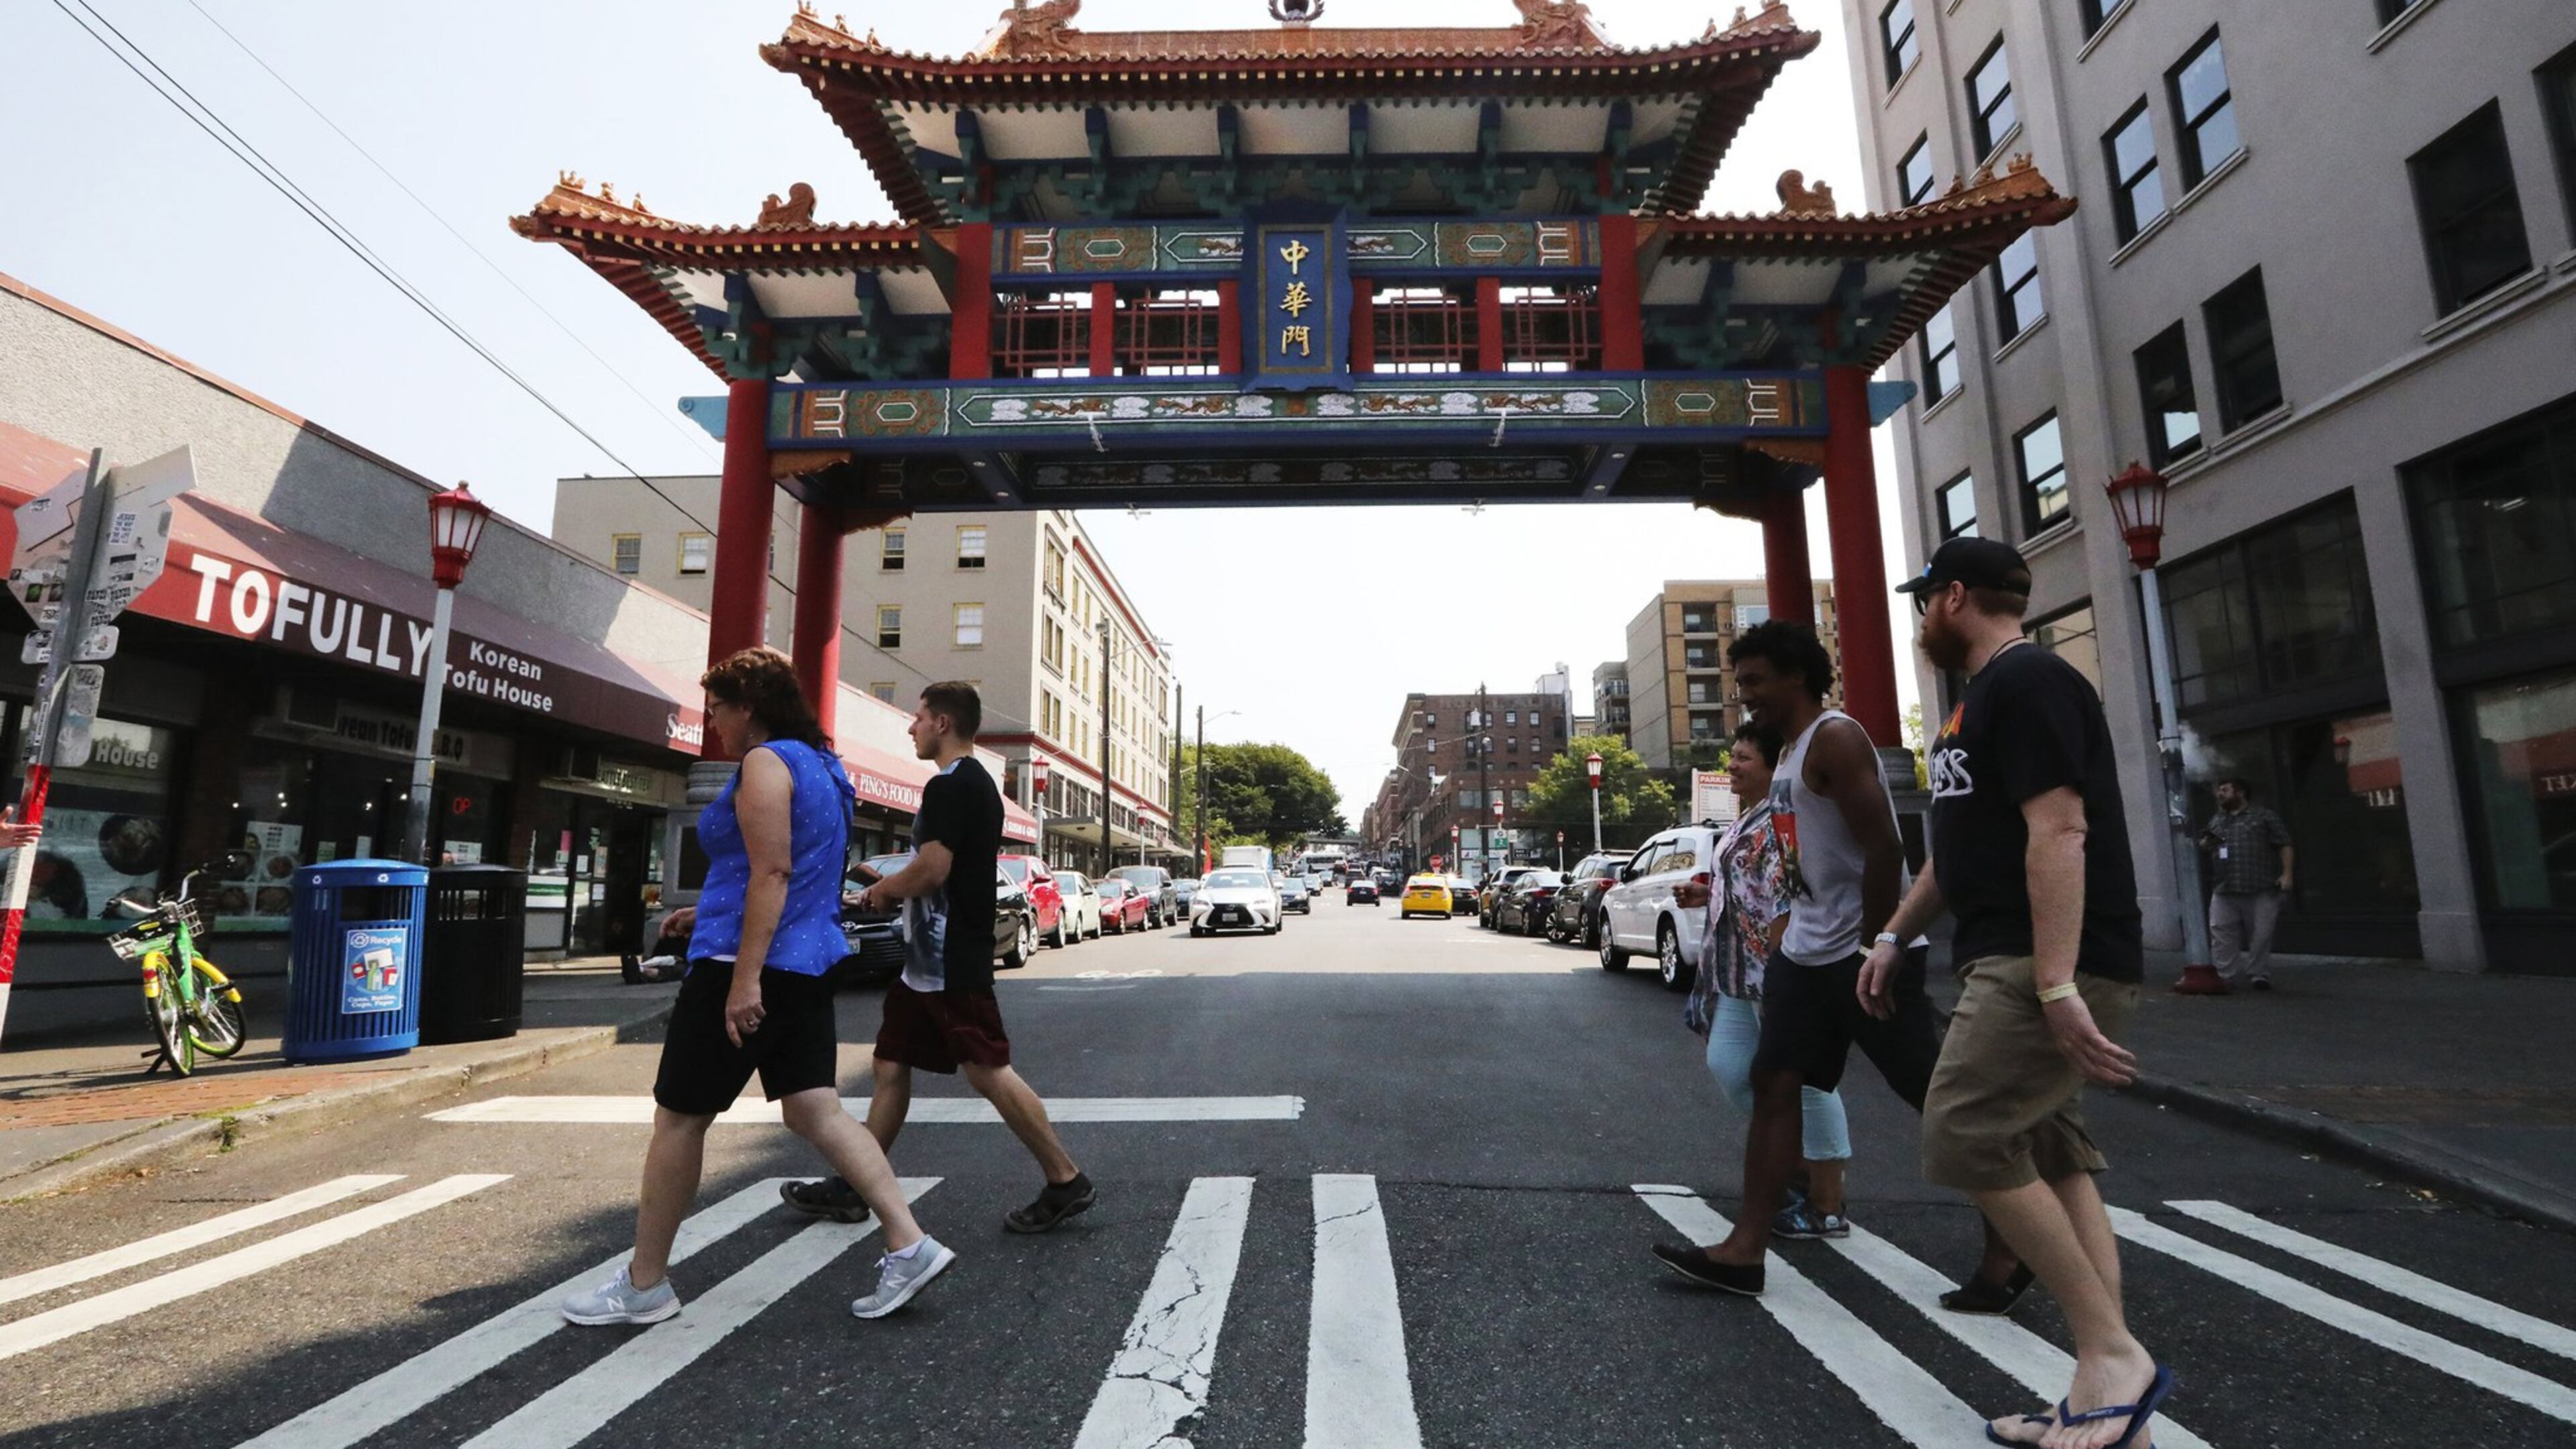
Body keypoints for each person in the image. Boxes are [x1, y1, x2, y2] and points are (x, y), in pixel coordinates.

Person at [1868, 537, 2169, 1448]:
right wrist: (1893, 934)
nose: (1920, 616)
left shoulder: (2027, 682)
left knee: (1963, 1129)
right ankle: (2107, 1398)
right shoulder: (1975, 707)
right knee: (2051, 1150)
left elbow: (2061, 829)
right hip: (2009, 956)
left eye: (1925, 600)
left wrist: (2055, 981)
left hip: (2035, 964)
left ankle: (2114, 1356)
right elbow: (1959, 852)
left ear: (1954, 596)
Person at [562, 647, 951, 1328]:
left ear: (748, 706)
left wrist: (742, 980)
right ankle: (908, 1242)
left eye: (717, 708)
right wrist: (706, 911)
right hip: (805, 961)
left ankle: (645, 1283)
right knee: (815, 1110)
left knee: (681, 1117)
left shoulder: (766, 763)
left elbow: (772, 873)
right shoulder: (826, 769)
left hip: (750, 966)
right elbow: (792, 874)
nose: (713, 722)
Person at [1650, 620, 2023, 1309]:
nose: (1745, 697)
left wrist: (1874, 948)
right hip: (1806, 951)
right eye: (1740, 685)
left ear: (1797, 675)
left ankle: (2012, 1242)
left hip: (1863, 953)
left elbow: (1884, 848)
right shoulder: (1790, 750)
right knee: (1774, 1082)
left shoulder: (1836, 737)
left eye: (1756, 681)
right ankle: (1745, 1250)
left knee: (1936, 1097)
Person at [784, 682, 1094, 1233]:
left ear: (944, 723)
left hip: (950, 959)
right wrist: (890, 887)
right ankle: (857, 1186)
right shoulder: (974, 784)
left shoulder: (951, 787)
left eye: (919, 717)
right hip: (925, 964)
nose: (912, 727)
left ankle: (1066, 1179)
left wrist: (882, 891)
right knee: (890, 1064)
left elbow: (933, 869)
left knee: (989, 1071)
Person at [1676, 718, 1856, 1240]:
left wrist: (1784, 972)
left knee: (1807, 1085)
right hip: (1734, 971)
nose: (1731, 765)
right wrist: (1704, 891)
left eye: (1742, 758)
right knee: (1730, 1065)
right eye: (1731, 757)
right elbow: (1741, 881)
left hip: (1775, 970)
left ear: (1774, 765)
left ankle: (1827, 1202)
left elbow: (1786, 896)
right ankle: (1797, 1164)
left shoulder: (1785, 820)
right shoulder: (1746, 818)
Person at [2193, 777, 2292, 993]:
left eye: (2225, 790)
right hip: (2224, 886)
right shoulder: (2218, 819)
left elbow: (2284, 844)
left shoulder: (2263, 816)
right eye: (2219, 790)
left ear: (2240, 793)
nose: (2220, 794)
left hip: (2259, 885)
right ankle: (2224, 975)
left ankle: (2258, 974)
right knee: (2221, 931)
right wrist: (2207, 843)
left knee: (2261, 934)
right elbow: (2204, 845)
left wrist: (2287, 874)